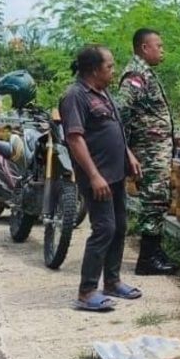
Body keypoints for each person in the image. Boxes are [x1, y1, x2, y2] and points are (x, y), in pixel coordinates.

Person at [60, 45, 142, 312]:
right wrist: (94, 175)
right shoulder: (75, 96)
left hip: (115, 173)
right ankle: (86, 291)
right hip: (98, 177)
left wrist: (128, 155)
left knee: (119, 226)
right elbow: (75, 138)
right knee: (104, 228)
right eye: (109, 66)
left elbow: (114, 128)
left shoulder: (104, 93)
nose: (113, 70)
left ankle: (113, 281)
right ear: (94, 70)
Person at [118, 28, 180, 276]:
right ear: (145, 48)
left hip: (155, 149)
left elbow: (150, 114)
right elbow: (121, 111)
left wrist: (173, 135)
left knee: (158, 200)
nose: (162, 50)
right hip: (148, 151)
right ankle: (147, 259)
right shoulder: (136, 75)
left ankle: (154, 251)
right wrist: (126, 150)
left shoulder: (144, 73)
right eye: (159, 46)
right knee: (153, 201)